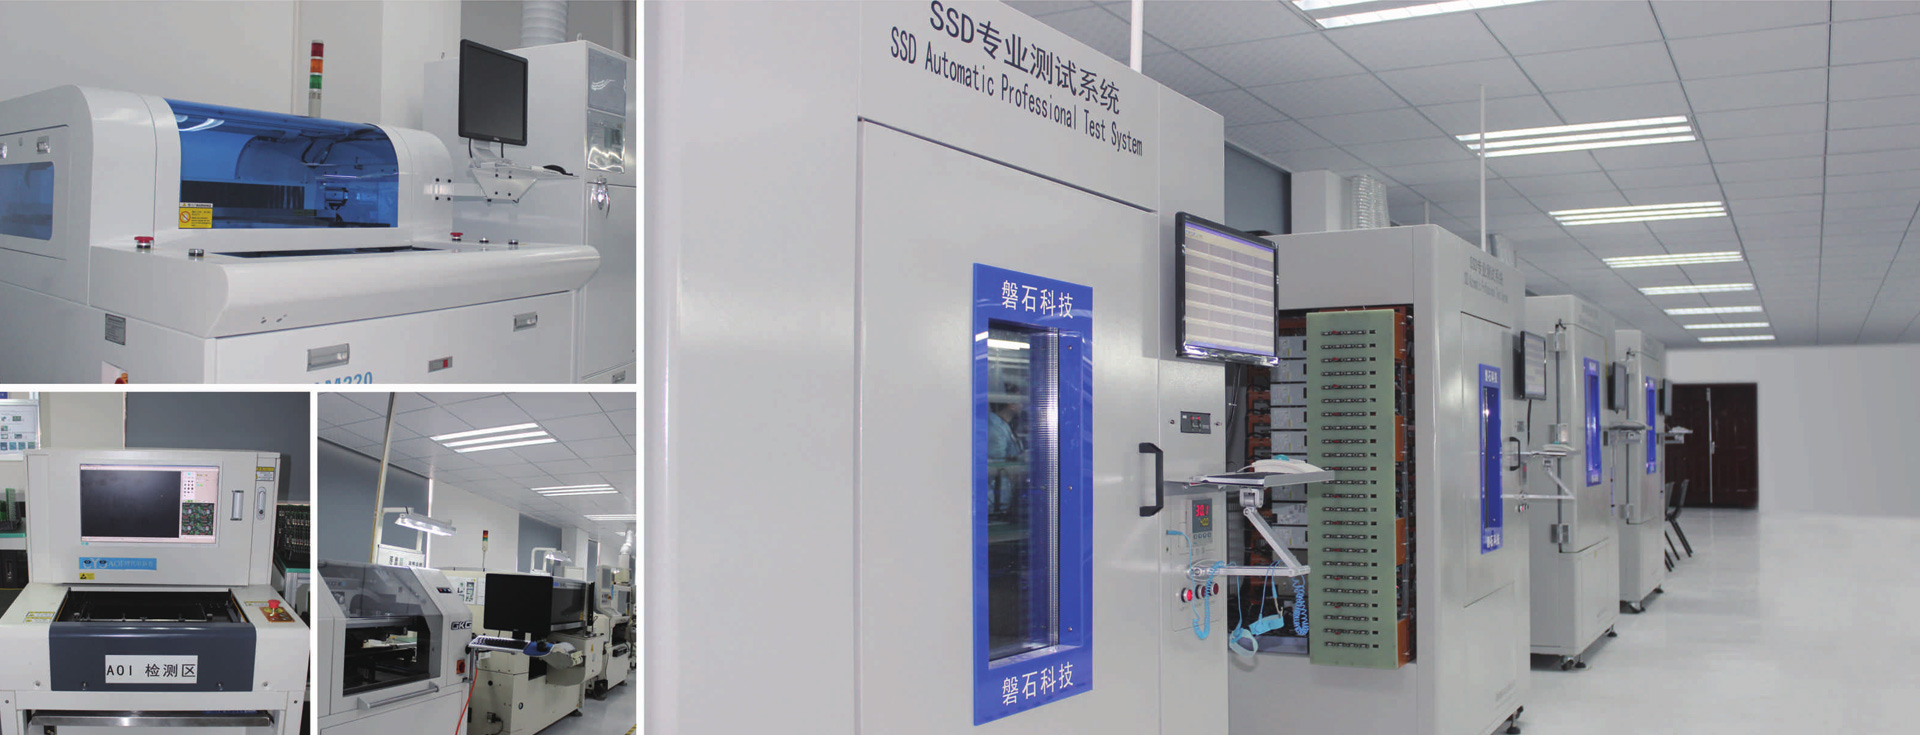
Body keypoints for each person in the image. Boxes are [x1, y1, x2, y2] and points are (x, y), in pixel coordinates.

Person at [988, 401, 1025, 516]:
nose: (1023, 404)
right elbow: (998, 464)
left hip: (1002, 494)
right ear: (1011, 405)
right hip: (995, 497)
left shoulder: (1004, 425)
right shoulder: (995, 429)